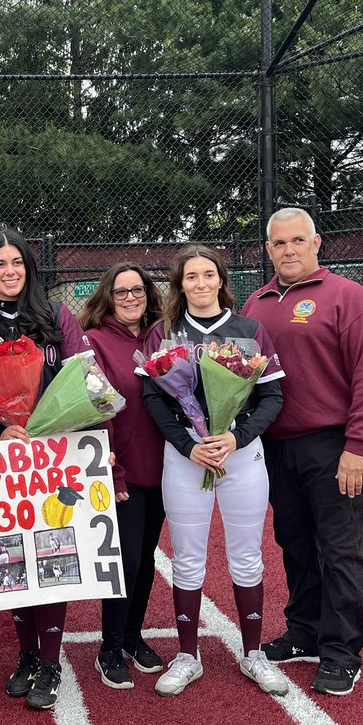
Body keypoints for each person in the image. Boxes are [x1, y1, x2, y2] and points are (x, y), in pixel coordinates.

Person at [243, 207, 363, 696]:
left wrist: (360, 447)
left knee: (340, 550)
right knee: (296, 544)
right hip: (275, 447)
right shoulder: (256, 304)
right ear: (268, 249)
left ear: (316, 243)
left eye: (296, 241)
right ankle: (305, 630)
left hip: (333, 446)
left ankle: (342, 651)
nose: (288, 250)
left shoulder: (347, 297)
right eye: (278, 243)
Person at [142, 244, 289, 698]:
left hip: (240, 454)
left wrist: (235, 438)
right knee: (187, 558)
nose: (200, 284)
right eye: (191, 277)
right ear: (179, 284)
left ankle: (253, 653)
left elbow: (273, 398)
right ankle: (188, 655)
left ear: (220, 280)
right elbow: (153, 399)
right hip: (187, 458)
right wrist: (188, 446)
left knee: (246, 555)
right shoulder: (163, 332)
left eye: (208, 275)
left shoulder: (249, 329)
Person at [0, 229, 91, 711]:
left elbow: (85, 379)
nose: (10, 271)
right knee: (9, 557)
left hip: (55, 451)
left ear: (29, 268)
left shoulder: (58, 317)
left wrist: (82, 433)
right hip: (3, 456)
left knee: (52, 550)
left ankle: (52, 659)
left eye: (17, 262)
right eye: (0, 264)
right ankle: (27, 654)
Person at [79, 264, 166, 690]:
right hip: (123, 469)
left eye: (138, 290)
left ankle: (133, 636)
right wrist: (113, 472)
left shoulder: (164, 337)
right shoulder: (93, 342)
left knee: (147, 558)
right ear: (107, 297)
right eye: (121, 291)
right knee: (125, 560)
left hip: (165, 466)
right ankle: (109, 647)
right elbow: (98, 409)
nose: (131, 298)